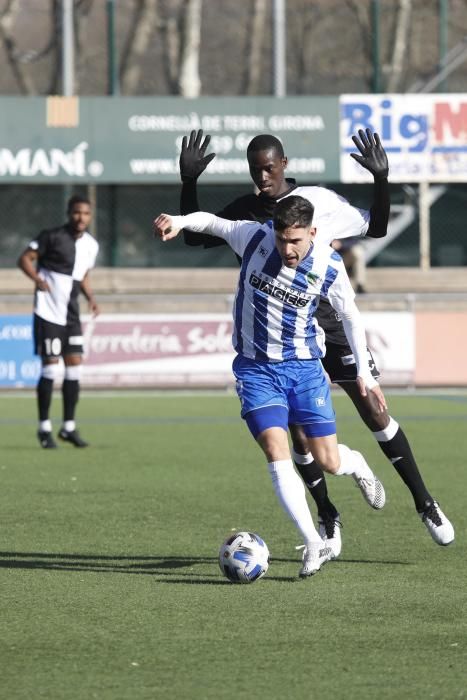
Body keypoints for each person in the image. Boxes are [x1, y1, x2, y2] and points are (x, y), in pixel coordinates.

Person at [178, 128, 455, 548]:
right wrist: (189, 183)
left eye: (269, 168)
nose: (263, 177)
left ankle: (425, 502)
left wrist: (382, 180)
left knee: (374, 410)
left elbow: (375, 226)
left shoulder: (318, 202)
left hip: (327, 324)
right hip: (280, 341)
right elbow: (193, 234)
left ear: (284, 164)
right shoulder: (247, 212)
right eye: (256, 170)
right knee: (299, 436)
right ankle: (327, 514)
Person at [154, 196, 387, 578]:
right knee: (276, 452)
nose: (287, 248)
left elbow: (349, 315)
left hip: (305, 370)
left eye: (295, 240)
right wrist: (179, 220)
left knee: (327, 460)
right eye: (281, 240)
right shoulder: (253, 238)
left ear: (313, 233)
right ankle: (313, 541)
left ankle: (356, 463)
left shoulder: (329, 266)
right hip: (256, 370)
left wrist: (365, 371)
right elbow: (213, 222)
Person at [17, 194, 99, 449]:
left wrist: (91, 298)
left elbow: (82, 275)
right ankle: (44, 429)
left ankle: (68, 427)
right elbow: (24, 259)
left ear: (90, 216)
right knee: (51, 369)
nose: (81, 217)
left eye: (85, 213)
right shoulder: (51, 236)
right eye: (76, 212)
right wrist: (37, 279)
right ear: (69, 213)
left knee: (75, 367)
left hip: (71, 314)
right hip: (48, 312)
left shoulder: (91, 245)